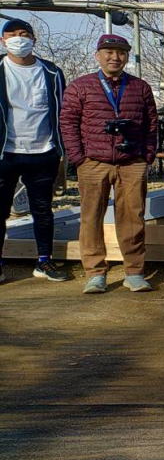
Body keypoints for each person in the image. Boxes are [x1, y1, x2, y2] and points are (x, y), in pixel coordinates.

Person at [60, 33, 159, 294]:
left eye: (121, 52)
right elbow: (68, 123)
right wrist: (79, 158)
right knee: (91, 218)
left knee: (133, 217)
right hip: (93, 162)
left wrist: (147, 155)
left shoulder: (140, 87)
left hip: (132, 162)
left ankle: (134, 272)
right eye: (109, 52)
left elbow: (152, 123)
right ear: (98, 56)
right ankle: (95, 273)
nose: (115, 57)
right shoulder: (80, 86)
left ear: (126, 56)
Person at [0, 18, 69, 282]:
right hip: (5, 152)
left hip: (43, 151)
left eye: (24, 34)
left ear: (33, 40)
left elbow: (62, 111)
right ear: (3, 41)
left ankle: (44, 261)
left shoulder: (51, 72)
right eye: (11, 35)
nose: (18, 39)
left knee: (42, 210)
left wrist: (61, 150)